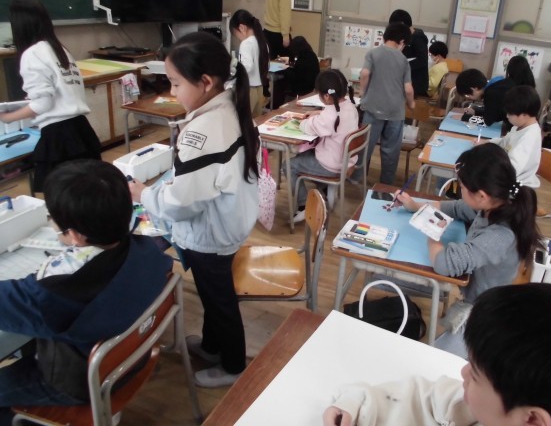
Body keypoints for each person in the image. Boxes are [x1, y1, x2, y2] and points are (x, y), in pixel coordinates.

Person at [129, 32, 260, 388]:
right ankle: (213, 346)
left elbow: (180, 204)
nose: (172, 92)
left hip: (211, 235)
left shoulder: (203, 130)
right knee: (212, 293)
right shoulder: (230, 107)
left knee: (219, 300)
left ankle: (234, 366)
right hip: (227, 223)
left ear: (205, 82)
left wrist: (145, 194)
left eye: (175, 83)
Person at [0, 159, 173, 425]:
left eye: (53, 220)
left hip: (80, 381)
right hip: (132, 358)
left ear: (75, 236)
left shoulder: (53, 293)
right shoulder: (147, 249)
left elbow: (12, 302)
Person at [323, 283, 551, 426]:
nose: (463, 372)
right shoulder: (487, 411)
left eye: (476, 373)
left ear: (532, 420)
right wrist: (358, 405)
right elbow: (429, 398)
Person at [397, 143, 541, 305]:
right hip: (475, 290)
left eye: (462, 186)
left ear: (481, 196)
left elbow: (443, 264)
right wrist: (414, 206)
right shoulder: (496, 201)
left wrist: (431, 230)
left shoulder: (499, 237)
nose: (460, 189)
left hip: (482, 305)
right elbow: (456, 208)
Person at [0, 0, 101, 192]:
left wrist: (7, 117)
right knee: (88, 193)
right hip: (81, 130)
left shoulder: (32, 54)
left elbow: (42, 104)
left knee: (64, 197)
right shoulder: (59, 49)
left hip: (60, 137)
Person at [288, 69, 359, 223]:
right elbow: (330, 119)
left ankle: (304, 206)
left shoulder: (330, 115)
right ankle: (325, 189)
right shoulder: (350, 106)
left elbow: (308, 127)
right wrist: (318, 114)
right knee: (303, 157)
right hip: (345, 160)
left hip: (331, 164)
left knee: (288, 165)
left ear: (326, 96)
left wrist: (305, 121)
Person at [358, 22, 415, 185]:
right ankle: (386, 183)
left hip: (372, 108)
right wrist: (411, 104)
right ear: (402, 41)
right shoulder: (403, 60)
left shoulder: (373, 53)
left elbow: (365, 73)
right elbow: (408, 89)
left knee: (365, 146)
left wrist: (362, 92)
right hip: (395, 112)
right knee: (391, 151)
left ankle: (356, 177)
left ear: (384, 37)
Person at [491, 85, 542, 188]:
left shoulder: (529, 137)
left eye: (510, 113)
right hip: (508, 175)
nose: (507, 116)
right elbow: (504, 142)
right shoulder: (518, 127)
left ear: (524, 114)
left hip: (518, 186)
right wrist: (488, 143)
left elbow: (513, 169)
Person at [230, 9, 270, 117]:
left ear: (242, 28)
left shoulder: (246, 43)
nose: (238, 39)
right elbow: (266, 65)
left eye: (236, 35)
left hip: (249, 89)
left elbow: (247, 66)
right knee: (256, 121)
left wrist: (234, 70)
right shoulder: (262, 42)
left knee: (242, 121)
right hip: (259, 89)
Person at [388, 9, 429, 97]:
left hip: (416, 83)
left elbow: (422, 60)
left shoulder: (418, 38)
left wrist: (402, 65)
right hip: (406, 80)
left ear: (402, 24)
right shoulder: (407, 36)